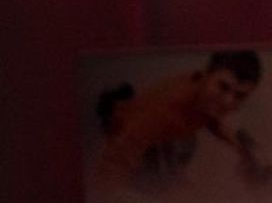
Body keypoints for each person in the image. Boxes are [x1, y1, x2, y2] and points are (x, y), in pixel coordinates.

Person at [95, 49, 263, 186]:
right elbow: (113, 163)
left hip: (156, 134)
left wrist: (240, 147)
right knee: (182, 183)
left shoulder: (204, 96)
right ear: (206, 75)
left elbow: (211, 120)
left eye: (240, 96)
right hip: (124, 135)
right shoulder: (165, 111)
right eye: (223, 87)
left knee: (187, 145)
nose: (228, 101)